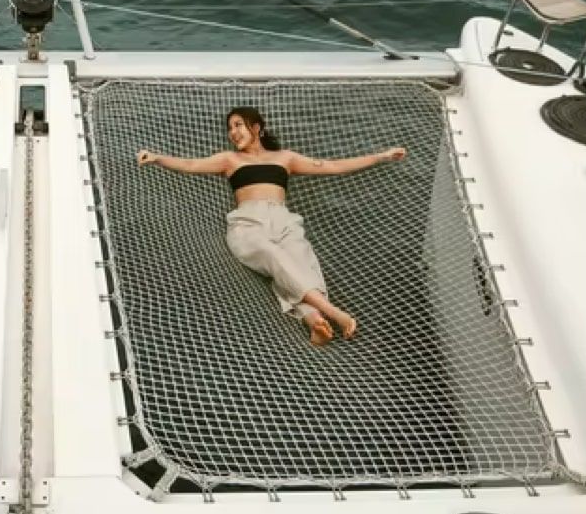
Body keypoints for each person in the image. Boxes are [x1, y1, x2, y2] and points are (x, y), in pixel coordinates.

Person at [137, 106, 405, 346]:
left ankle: (315, 323)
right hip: (248, 224)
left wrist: (381, 156)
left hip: (283, 220)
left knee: (301, 262)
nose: (233, 132)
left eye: (238, 125)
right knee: (276, 257)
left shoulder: (285, 158)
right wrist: (157, 157)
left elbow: (332, 166)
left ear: (256, 128)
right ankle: (333, 312)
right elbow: (190, 164)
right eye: (230, 128)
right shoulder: (230, 160)